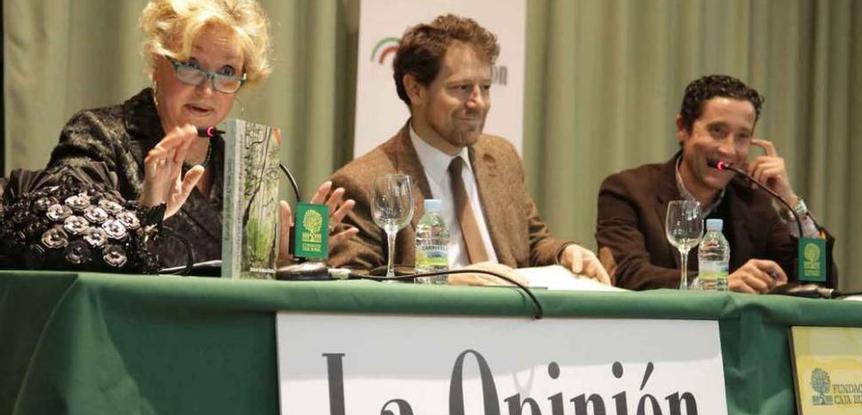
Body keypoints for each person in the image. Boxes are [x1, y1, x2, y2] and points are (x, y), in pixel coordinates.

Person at [39, 0, 356, 269]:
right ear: (156, 61)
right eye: (191, 64)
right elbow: (60, 239)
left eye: (227, 72)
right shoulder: (100, 134)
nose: (207, 88)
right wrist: (146, 212)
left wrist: (280, 263)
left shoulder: (241, 159)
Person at [328, 14, 610, 285]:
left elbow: (532, 242)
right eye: (462, 88)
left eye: (485, 87)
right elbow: (354, 279)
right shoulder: (365, 182)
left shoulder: (501, 157)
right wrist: (443, 280)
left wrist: (565, 252)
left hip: (516, 325)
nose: (479, 103)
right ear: (415, 89)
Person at [595, 74, 836, 293]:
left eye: (742, 137)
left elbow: (819, 284)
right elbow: (627, 274)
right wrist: (717, 284)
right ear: (682, 129)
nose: (728, 150)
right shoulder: (627, 190)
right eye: (717, 131)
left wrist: (791, 202)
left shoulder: (754, 201)